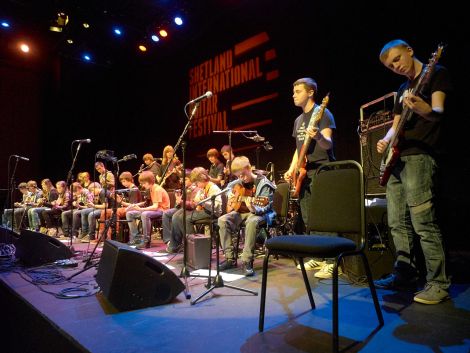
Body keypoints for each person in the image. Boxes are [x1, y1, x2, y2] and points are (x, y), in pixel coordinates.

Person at [373, 40, 452, 305]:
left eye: (397, 59)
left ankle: (439, 283)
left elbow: (439, 112)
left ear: (409, 50)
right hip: (398, 159)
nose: (396, 66)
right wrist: (385, 140)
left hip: (420, 157)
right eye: (390, 65)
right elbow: (395, 125)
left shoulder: (436, 72)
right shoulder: (402, 88)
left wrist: (425, 109)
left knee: (423, 223)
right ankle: (405, 274)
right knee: (397, 222)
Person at [283, 77, 337, 278]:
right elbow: (298, 149)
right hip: (304, 173)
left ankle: (332, 260)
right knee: (309, 216)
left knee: (325, 215)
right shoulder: (298, 120)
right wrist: (292, 168)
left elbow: (328, 144)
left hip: (322, 170)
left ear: (311, 92)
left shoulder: (323, 113)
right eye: (294, 91)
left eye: (298, 91)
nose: (294, 95)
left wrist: (318, 137)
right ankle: (317, 255)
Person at [218, 156, 275, 276]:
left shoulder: (264, 183)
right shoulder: (239, 181)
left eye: (243, 175)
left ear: (249, 168)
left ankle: (246, 260)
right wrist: (233, 196)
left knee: (252, 221)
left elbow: (265, 207)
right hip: (243, 213)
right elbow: (227, 188)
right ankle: (230, 259)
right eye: (238, 176)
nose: (241, 178)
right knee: (222, 220)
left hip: (261, 213)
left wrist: (254, 207)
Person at [165, 167, 221, 253]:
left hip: (212, 212)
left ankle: (194, 246)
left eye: (197, 182)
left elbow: (216, 206)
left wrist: (202, 203)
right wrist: (184, 202)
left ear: (202, 179)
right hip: (202, 210)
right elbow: (195, 203)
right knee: (177, 216)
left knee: (186, 218)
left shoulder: (213, 188)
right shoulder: (203, 189)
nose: (196, 184)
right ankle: (176, 245)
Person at [126, 171, 170, 249]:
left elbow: (156, 206)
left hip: (162, 211)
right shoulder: (151, 189)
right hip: (155, 210)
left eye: (143, 183)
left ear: (148, 182)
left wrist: (141, 209)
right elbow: (147, 203)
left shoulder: (157, 189)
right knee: (130, 214)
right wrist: (135, 205)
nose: (142, 185)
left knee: (145, 214)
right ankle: (136, 238)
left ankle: (146, 241)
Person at [161, 173, 200, 246]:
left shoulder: (195, 189)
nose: (183, 181)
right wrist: (178, 201)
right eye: (183, 179)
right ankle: (168, 239)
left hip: (189, 209)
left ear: (192, 180)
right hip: (182, 207)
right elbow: (181, 202)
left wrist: (181, 202)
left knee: (176, 216)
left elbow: (193, 204)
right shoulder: (185, 188)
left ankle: (179, 241)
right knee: (166, 213)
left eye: (186, 179)